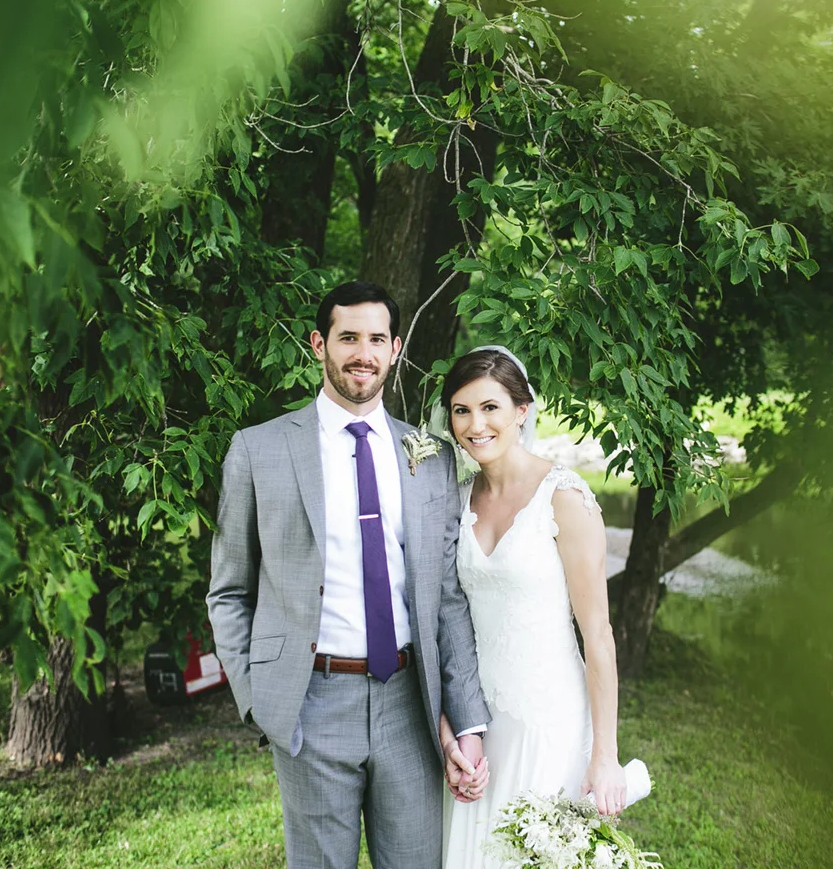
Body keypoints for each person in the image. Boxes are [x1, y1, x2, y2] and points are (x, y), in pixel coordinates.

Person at [206, 280, 491, 869]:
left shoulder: (430, 456)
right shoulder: (258, 451)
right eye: (348, 338)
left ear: (395, 349)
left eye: (376, 339)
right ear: (319, 344)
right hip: (311, 703)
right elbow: (229, 591)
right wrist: (259, 700)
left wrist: (466, 721)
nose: (363, 352)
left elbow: (446, 601)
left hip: (410, 706)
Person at [438, 346, 627, 869]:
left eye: (491, 407)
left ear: (522, 410)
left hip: (550, 718)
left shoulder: (564, 498)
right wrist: (455, 726)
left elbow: (599, 636)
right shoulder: (452, 499)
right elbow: (445, 624)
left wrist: (605, 756)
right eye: (461, 410)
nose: (475, 424)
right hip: (480, 719)